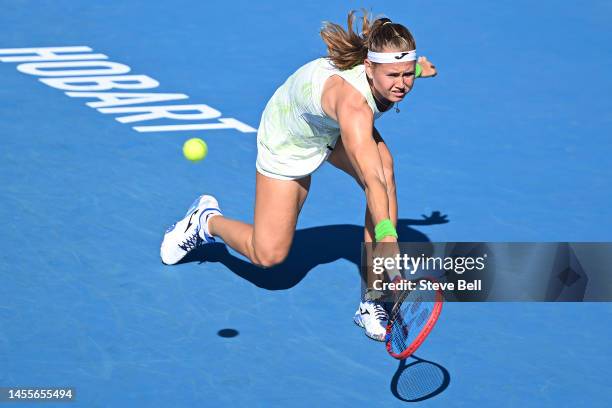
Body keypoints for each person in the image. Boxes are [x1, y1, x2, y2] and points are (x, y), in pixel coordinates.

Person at [160, 11, 437, 341]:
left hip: (329, 129)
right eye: (394, 75)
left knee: (385, 169)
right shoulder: (353, 106)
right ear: (368, 67)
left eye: (408, 74)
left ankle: (373, 301)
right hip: (290, 139)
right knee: (268, 256)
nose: (402, 83)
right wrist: (389, 238)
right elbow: (371, 178)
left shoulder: (388, 73)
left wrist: (419, 69)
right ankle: (205, 221)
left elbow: (378, 176)